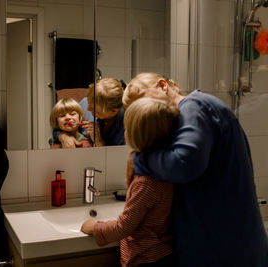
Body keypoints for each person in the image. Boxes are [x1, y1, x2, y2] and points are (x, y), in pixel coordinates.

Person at [122, 72, 268, 267]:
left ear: (163, 86)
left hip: (227, 247)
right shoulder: (184, 117)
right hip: (220, 242)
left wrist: (140, 160)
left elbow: (184, 165)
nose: (141, 110)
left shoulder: (195, 106)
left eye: (142, 101)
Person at [81, 97, 179, 267]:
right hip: (163, 252)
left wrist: (94, 228)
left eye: (127, 127)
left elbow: (123, 227)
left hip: (147, 258)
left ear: (135, 135)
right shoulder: (165, 169)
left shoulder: (146, 182)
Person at [57, 78, 126, 147]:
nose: (87, 108)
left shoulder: (126, 125)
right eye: (89, 103)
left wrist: (99, 141)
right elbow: (57, 126)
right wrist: (62, 135)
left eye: (94, 109)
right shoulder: (85, 103)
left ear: (114, 111)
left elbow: (117, 156)